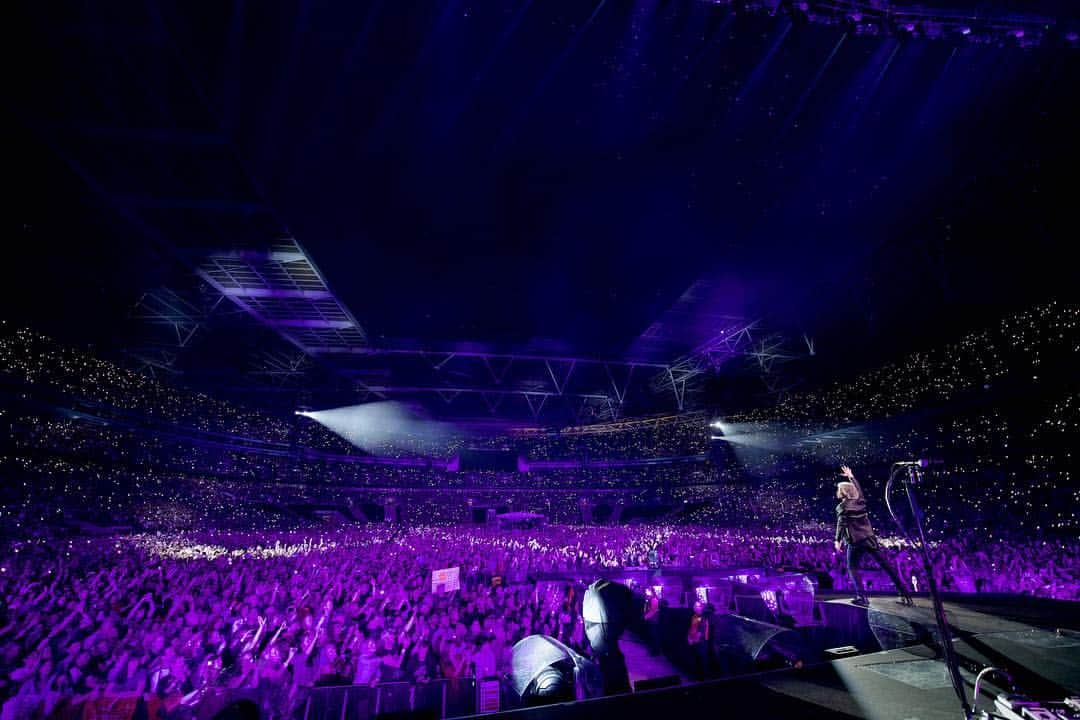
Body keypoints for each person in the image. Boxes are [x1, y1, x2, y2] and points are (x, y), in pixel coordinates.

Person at [834, 466, 913, 607]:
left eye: (839, 490)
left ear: (843, 492)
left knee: (852, 567)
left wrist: (837, 540)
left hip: (855, 541)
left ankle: (862, 597)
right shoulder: (861, 500)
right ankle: (904, 592)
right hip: (869, 538)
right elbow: (858, 490)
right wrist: (851, 476)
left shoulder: (842, 507)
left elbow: (841, 524)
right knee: (886, 565)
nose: (837, 492)